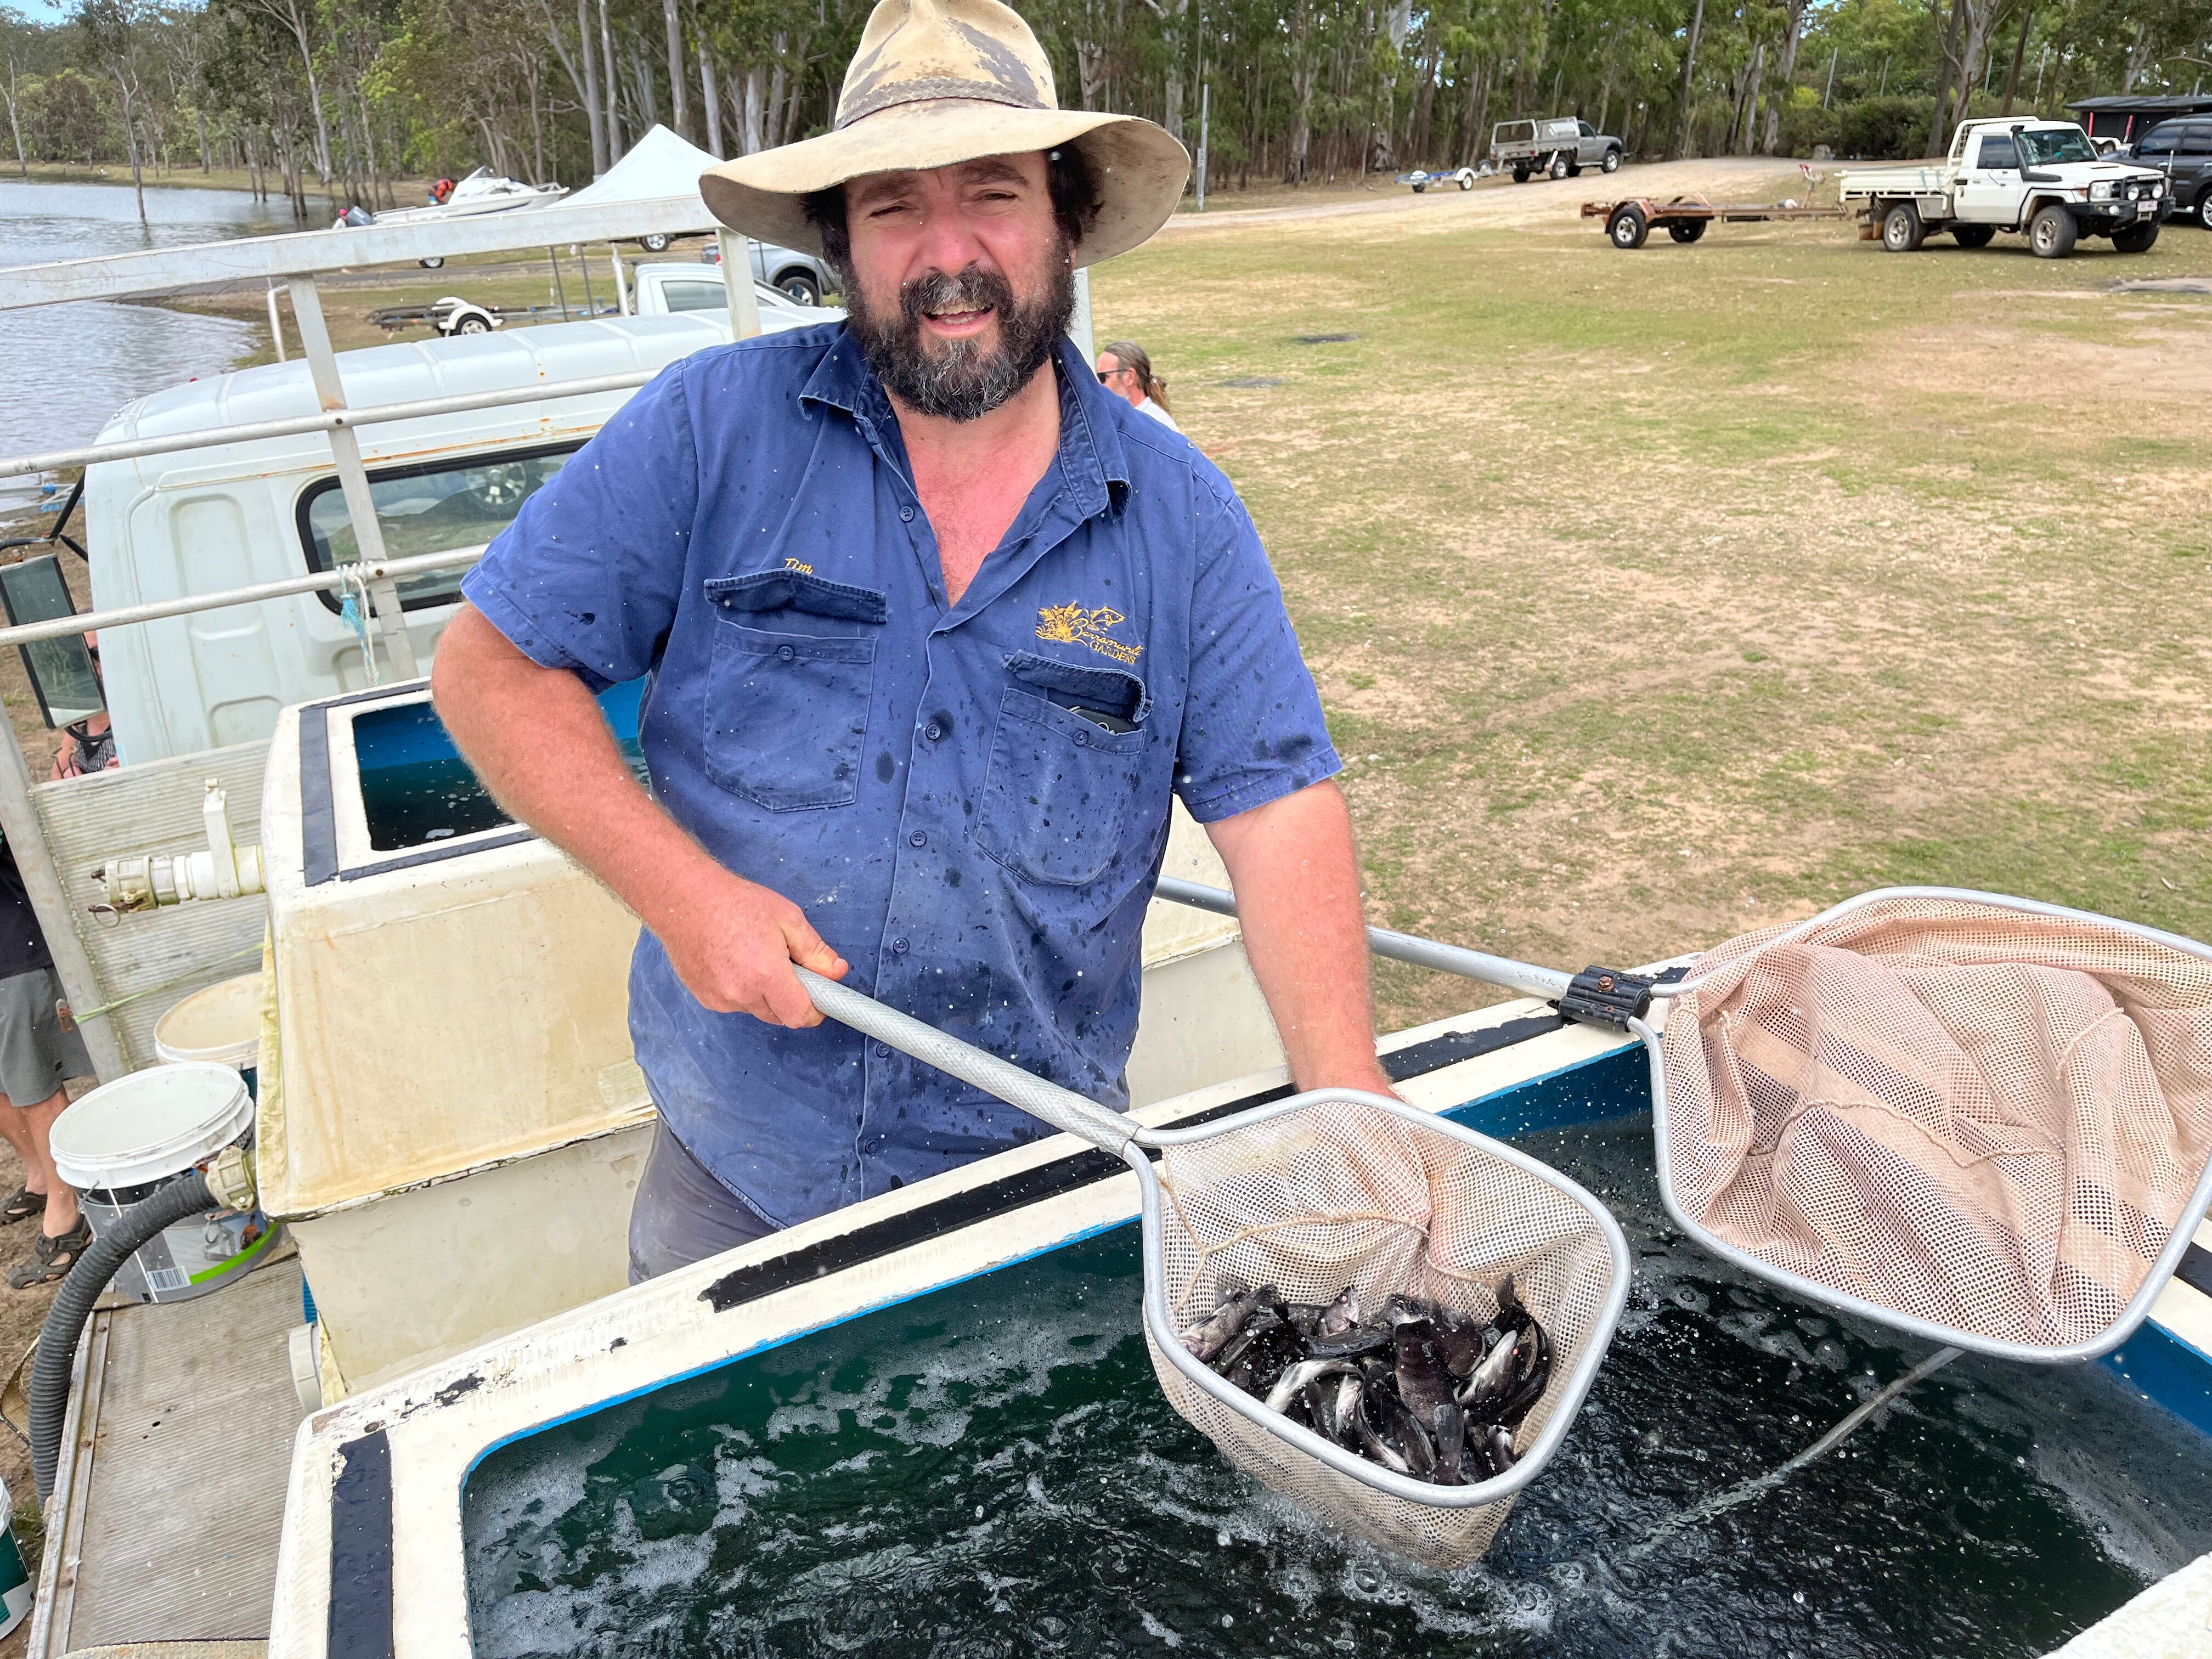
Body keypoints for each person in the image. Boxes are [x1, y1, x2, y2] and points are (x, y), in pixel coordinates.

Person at [431, 0, 1394, 1283]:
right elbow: (490, 667)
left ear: (1066, 217)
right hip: (736, 1175)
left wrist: (1351, 1101)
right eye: (893, 207)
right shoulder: (710, 430)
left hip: (1037, 1182)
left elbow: (1277, 807)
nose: (949, 255)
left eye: (993, 195)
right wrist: (688, 897)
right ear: (838, 240)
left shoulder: (1182, 517)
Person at [0, 836, 93, 1288]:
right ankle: (40, 1177)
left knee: (32, 1080)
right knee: (3, 1085)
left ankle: (67, 1212)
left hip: (10, 946)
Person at [1096, 340, 1178, 431]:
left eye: (1103, 377)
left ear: (1130, 377)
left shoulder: (1153, 424)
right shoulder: (1127, 420)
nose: (1098, 384)